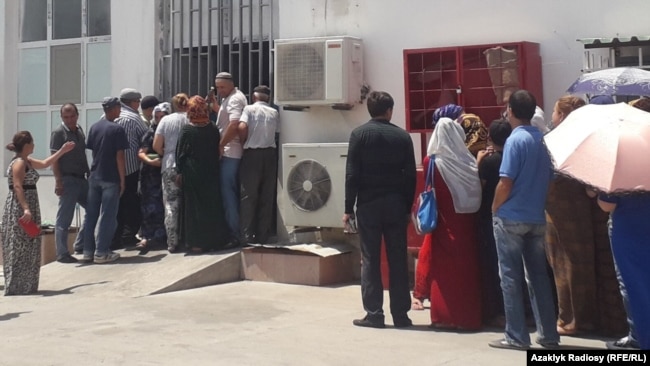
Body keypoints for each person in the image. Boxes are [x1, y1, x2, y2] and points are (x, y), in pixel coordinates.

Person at [489, 90, 559, 350]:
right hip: (536, 216)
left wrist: (495, 208)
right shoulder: (542, 140)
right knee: (539, 276)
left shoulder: (514, 141)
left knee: (510, 276)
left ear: (510, 111)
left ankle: (517, 335)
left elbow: (505, 181)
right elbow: (550, 183)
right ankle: (548, 334)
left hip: (511, 217)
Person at [344, 91, 416, 329]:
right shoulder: (402, 137)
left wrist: (348, 209)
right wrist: (407, 207)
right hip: (395, 205)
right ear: (389, 111)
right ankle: (401, 315)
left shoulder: (359, 135)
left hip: (368, 205)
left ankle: (374, 313)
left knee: (370, 259)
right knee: (398, 259)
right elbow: (410, 178)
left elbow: (352, 175)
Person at [411, 117, 482, 330]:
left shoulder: (431, 161)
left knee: (444, 274)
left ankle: (443, 316)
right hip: (466, 222)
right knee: (466, 270)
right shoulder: (469, 161)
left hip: (443, 222)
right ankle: (467, 317)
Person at [544, 96, 600, 336]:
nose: (552, 116)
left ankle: (569, 320)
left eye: (555, 111)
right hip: (583, 210)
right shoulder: (590, 141)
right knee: (583, 263)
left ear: (563, 116)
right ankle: (585, 318)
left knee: (563, 266)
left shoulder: (555, 141)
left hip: (558, 211)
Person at [1, 131, 74, 295]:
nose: (34, 145)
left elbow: (45, 163)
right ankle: (16, 286)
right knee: (19, 246)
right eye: (32, 143)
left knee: (30, 246)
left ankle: (27, 285)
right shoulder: (19, 163)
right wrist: (26, 208)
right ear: (26, 145)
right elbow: (18, 186)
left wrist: (62, 151)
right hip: (20, 207)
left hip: (30, 204)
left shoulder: (27, 161)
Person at [176, 96, 231, 253]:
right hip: (211, 171)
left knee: (194, 208)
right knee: (211, 205)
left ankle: (196, 243)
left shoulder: (187, 130)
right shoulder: (212, 128)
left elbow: (180, 154)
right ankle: (215, 240)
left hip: (193, 172)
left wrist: (179, 172)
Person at [597, 192, 650, 350]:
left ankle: (639, 337)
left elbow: (607, 204)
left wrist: (598, 194)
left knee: (631, 285)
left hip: (629, 230)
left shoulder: (622, 171)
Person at [81, 97, 129, 264]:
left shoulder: (95, 127)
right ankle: (101, 252)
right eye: (119, 107)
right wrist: (122, 180)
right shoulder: (117, 129)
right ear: (114, 108)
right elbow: (120, 156)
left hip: (94, 176)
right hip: (110, 177)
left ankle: (88, 251)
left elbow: (94, 152)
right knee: (108, 215)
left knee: (91, 214)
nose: (120, 110)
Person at [476, 118, 512, 327]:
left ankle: (499, 311)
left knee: (493, 265)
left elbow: (478, 188)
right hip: (514, 214)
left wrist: (478, 163)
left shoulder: (489, 162)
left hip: (490, 216)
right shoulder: (512, 158)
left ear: (489, 137)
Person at [238, 85, 279, 245]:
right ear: (268, 98)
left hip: (252, 154)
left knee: (248, 195)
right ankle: (263, 235)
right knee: (266, 195)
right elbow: (277, 132)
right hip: (269, 155)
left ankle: (246, 235)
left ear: (254, 97)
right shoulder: (274, 112)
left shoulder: (249, 109)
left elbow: (242, 126)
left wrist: (243, 141)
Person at [50, 103, 90, 263]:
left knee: (94, 208)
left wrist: (88, 171)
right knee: (64, 219)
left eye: (72, 116)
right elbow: (54, 160)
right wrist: (58, 181)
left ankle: (79, 244)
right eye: (66, 117)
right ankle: (62, 253)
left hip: (82, 178)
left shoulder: (79, 130)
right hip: (67, 179)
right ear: (61, 117)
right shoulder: (58, 133)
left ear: (77, 115)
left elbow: (82, 154)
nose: (69, 119)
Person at [214, 72, 247, 245]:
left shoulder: (234, 99)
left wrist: (220, 144)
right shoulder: (231, 97)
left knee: (229, 195)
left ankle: (234, 233)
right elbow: (227, 118)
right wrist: (215, 107)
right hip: (231, 152)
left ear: (231, 84)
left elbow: (234, 125)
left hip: (230, 152)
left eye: (222, 87)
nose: (219, 91)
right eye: (217, 87)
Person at [153, 93, 189, 253]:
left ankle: (172, 241)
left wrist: (165, 152)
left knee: (171, 204)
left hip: (169, 164)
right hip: (188, 165)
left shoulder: (165, 121)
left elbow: (156, 145)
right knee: (189, 202)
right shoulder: (191, 118)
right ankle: (189, 237)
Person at [113, 88, 147, 249]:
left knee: (115, 206)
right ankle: (128, 235)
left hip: (111, 170)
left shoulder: (108, 117)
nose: (139, 105)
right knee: (133, 204)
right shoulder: (134, 118)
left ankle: (115, 237)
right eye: (137, 101)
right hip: (131, 168)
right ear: (132, 102)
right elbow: (146, 139)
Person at [134, 102, 170, 252]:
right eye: (157, 116)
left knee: (165, 207)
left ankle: (164, 237)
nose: (159, 119)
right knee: (149, 208)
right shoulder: (150, 133)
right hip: (150, 177)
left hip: (165, 174)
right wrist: (152, 161)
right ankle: (147, 237)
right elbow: (142, 152)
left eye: (163, 116)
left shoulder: (171, 131)